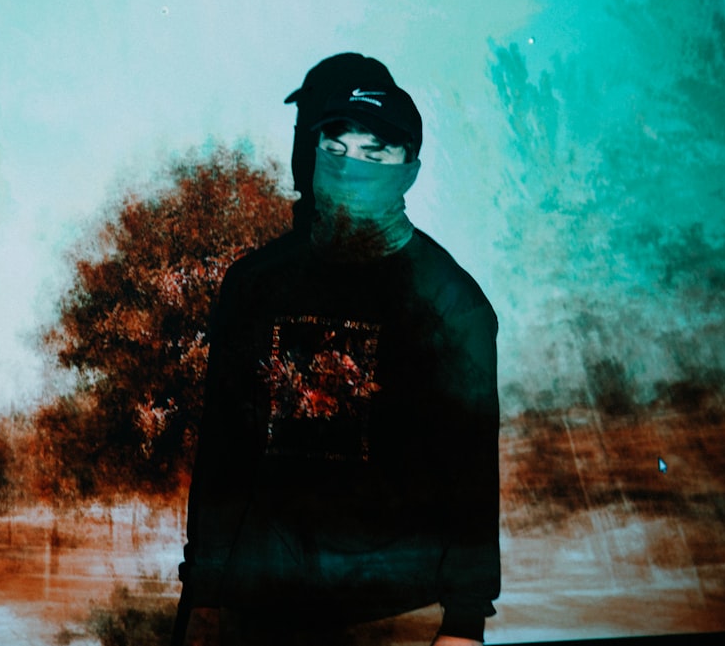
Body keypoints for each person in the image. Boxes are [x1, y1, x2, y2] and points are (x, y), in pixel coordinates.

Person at [174, 67, 500, 646]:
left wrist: (466, 621)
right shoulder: (256, 286)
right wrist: (203, 597)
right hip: (259, 610)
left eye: (375, 155)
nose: (351, 168)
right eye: (336, 148)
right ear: (314, 152)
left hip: (397, 614)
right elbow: (224, 456)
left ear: (410, 168)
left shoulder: (451, 303)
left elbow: (471, 474)